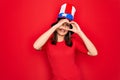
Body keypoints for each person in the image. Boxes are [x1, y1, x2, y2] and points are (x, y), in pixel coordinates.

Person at [33, 3, 98, 80]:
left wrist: (80, 32)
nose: (63, 27)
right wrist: (55, 26)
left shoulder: (73, 42)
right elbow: (36, 46)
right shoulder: (48, 42)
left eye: (66, 25)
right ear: (56, 25)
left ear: (69, 29)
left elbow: (94, 53)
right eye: (61, 24)